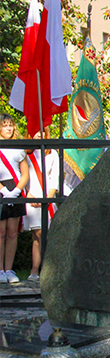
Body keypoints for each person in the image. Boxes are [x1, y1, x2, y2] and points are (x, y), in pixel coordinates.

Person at [23, 128, 59, 282]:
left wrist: (48, 198)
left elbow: (54, 177)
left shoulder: (52, 154)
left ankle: (45, 270)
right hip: (31, 197)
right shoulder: (26, 154)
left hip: (47, 199)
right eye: (35, 131)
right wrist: (30, 196)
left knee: (45, 235)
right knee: (37, 235)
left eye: (42, 131)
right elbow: (22, 176)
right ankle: (35, 271)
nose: (39, 134)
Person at [0, 114, 29, 284]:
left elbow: (24, 173)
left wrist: (17, 190)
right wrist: (4, 191)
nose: (9, 129)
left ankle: (9, 269)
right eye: (5, 125)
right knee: (1, 232)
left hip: (15, 189)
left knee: (12, 232)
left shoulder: (19, 147)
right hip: (1, 190)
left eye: (10, 125)